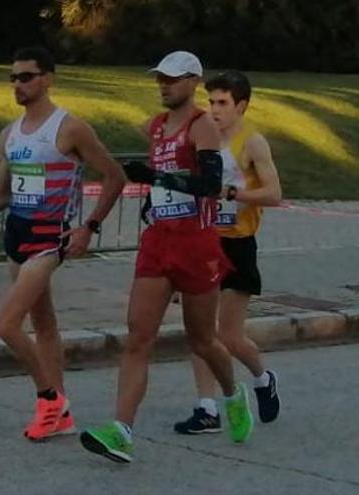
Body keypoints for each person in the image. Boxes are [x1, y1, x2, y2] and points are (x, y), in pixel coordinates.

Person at [80, 51, 254, 464]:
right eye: (159, 78)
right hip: (158, 241)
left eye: (172, 79)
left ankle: (232, 394)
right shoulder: (156, 127)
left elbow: (210, 185)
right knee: (138, 338)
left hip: (197, 245)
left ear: (193, 81)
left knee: (202, 339)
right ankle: (121, 430)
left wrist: (157, 177)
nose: (164, 86)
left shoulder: (203, 127)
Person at [0, 46, 125, 440]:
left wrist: (89, 226)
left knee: (5, 324)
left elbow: (115, 176)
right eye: (13, 77)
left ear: (47, 78)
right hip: (16, 233)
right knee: (43, 323)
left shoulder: (70, 128)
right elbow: (4, 194)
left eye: (26, 76)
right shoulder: (9, 134)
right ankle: (61, 411)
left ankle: (49, 399)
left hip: (50, 240)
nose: (17, 84)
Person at [173, 70, 283, 434]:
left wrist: (233, 195)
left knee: (229, 336)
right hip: (203, 240)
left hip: (238, 245)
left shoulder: (253, 143)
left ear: (242, 105)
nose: (215, 110)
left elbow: (274, 194)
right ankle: (207, 408)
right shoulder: (201, 137)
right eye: (212, 102)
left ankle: (263, 376)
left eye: (223, 103)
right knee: (199, 332)